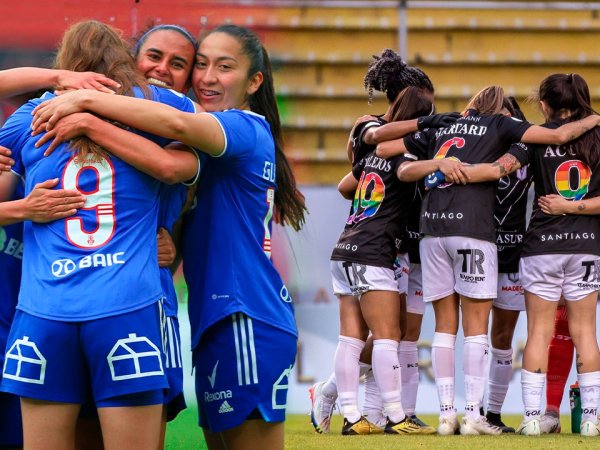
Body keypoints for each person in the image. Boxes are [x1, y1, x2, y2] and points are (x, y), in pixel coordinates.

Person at [30, 24, 307, 450]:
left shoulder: (235, 126)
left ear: (254, 82)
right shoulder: (201, 139)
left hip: (244, 314)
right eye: (202, 65)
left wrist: (85, 104)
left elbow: (171, 146)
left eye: (224, 67)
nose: (208, 77)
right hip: (213, 318)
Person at [0, 20, 198, 450]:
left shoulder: (29, 116)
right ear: (127, 60)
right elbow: (201, 134)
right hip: (126, 308)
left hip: (44, 312)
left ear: (64, 62)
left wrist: (56, 83)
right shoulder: (157, 104)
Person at [375, 84, 600, 436]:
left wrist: (440, 165)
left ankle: (461, 416)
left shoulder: (447, 124)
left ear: (544, 104)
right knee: (501, 330)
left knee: (450, 327)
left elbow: (384, 149)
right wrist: (594, 118)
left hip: (440, 232)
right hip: (489, 234)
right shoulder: (509, 128)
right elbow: (508, 165)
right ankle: (482, 415)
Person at [328, 86, 452, 436]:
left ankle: (352, 417)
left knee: (350, 339)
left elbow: (344, 187)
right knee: (388, 335)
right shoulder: (405, 153)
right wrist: (439, 163)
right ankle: (397, 417)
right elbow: (406, 173)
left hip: (345, 248)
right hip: (374, 251)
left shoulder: (371, 155)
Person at [483, 97, 533, 433]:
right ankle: (470, 411)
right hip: (476, 247)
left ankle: (492, 414)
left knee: (502, 336)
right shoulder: (476, 147)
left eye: (507, 117)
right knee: (471, 334)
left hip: (514, 254)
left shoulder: (530, 153)